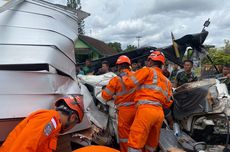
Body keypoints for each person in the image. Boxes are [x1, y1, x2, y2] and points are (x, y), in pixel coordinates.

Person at [122, 51, 173, 152]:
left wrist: (125, 73)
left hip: (146, 111)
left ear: (150, 61)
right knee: (151, 145)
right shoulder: (167, 81)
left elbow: (130, 82)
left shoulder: (147, 71)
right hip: (159, 114)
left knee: (135, 144)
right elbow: (168, 102)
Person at [0, 95, 84, 152]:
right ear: (73, 117)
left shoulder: (54, 126)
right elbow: (22, 148)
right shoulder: (50, 119)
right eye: (75, 124)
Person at [101, 55, 137, 152]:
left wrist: (107, 91)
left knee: (124, 137)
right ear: (129, 65)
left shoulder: (116, 80)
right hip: (138, 109)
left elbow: (105, 96)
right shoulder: (137, 76)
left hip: (124, 112)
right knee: (136, 134)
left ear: (119, 67)